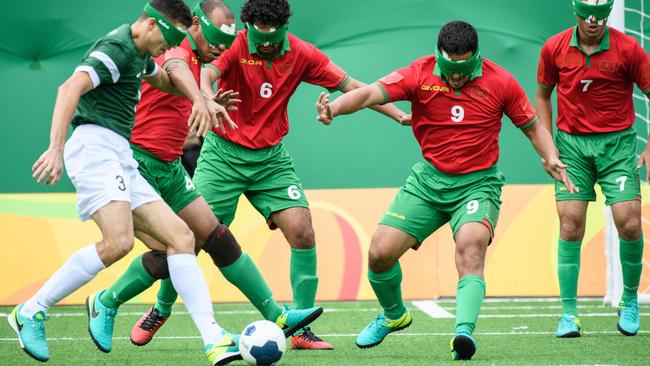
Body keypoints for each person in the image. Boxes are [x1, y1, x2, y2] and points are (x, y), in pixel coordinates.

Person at [315, 20, 574, 360]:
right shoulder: (418, 74)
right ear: (440, 56)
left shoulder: (501, 82)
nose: (456, 76)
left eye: (463, 68)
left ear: (475, 57)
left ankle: (463, 334)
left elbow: (532, 127)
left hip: (477, 184)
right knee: (379, 254)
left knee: (470, 246)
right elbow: (368, 94)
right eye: (451, 68)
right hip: (428, 181)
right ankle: (394, 315)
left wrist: (550, 155)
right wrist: (334, 108)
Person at [8, 1, 241, 364]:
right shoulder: (116, 49)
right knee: (118, 241)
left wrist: (204, 99)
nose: (168, 50)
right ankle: (31, 310)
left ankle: (214, 338)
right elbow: (68, 88)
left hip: (120, 153)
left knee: (180, 238)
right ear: (150, 24)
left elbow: (163, 79)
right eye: (167, 41)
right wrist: (55, 148)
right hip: (94, 148)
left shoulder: (139, 51)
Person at [93, 0, 321, 349]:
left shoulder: (210, 57)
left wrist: (209, 97)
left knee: (216, 238)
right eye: (213, 38)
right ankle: (105, 302)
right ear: (195, 25)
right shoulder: (177, 48)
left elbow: (206, 74)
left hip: (170, 167)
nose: (219, 47)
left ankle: (276, 314)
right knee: (171, 251)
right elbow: (174, 66)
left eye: (225, 41)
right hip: (137, 164)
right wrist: (201, 96)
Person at [192, 0, 409, 350]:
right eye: (257, 32)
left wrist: (397, 115)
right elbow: (207, 74)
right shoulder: (234, 44)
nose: (264, 41)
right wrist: (205, 98)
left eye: (271, 34)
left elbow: (354, 86)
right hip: (223, 154)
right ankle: (160, 308)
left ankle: (301, 328)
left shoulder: (302, 54)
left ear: (284, 28)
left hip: (271, 159)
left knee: (302, 230)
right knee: (193, 237)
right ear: (249, 25)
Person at [536, 0, 650, 338]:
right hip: (572, 146)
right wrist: (549, 148)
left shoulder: (629, 49)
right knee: (570, 222)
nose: (593, 22)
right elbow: (543, 96)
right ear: (575, 11)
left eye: (600, 16)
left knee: (629, 221)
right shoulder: (554, 47)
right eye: (587, 15)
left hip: (617, 145)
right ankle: (569, 314)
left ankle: (629, 299)